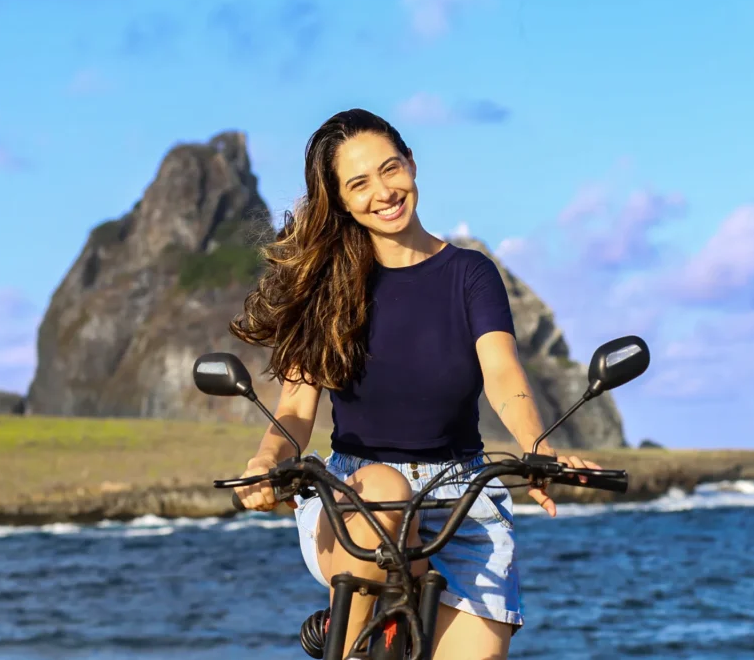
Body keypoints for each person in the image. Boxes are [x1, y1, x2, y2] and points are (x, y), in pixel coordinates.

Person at [228, 108, 601, 659]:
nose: (383, 191)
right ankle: (354, 626)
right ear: (340, 199)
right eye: (359, 183)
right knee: (386, 492)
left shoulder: (470, 274)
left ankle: (366, 616)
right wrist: (265, 462)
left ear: (413, 165)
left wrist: (538, 446)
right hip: (358, 499)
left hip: (461, 500)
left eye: (391, 168)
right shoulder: (325, 286)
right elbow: (296, 407)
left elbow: (502, 375)